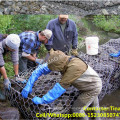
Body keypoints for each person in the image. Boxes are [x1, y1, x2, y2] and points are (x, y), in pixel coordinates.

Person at [21, 49, 102, 120]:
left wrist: (42, 100)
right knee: (93, 102)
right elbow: (41, 69)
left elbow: (58, 89)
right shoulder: (61, 59)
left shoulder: (73, 68)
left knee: (77, 109)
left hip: (92, 88)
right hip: (90, 82)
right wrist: (29, 84)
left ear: (59, 67)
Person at [0, 34, 20, 100]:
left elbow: (15, 60)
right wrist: (6, 79)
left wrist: (17, 76)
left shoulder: (14, 43)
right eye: (13, 49)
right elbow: (1, 64)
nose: (14, 50)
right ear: (7, 46)